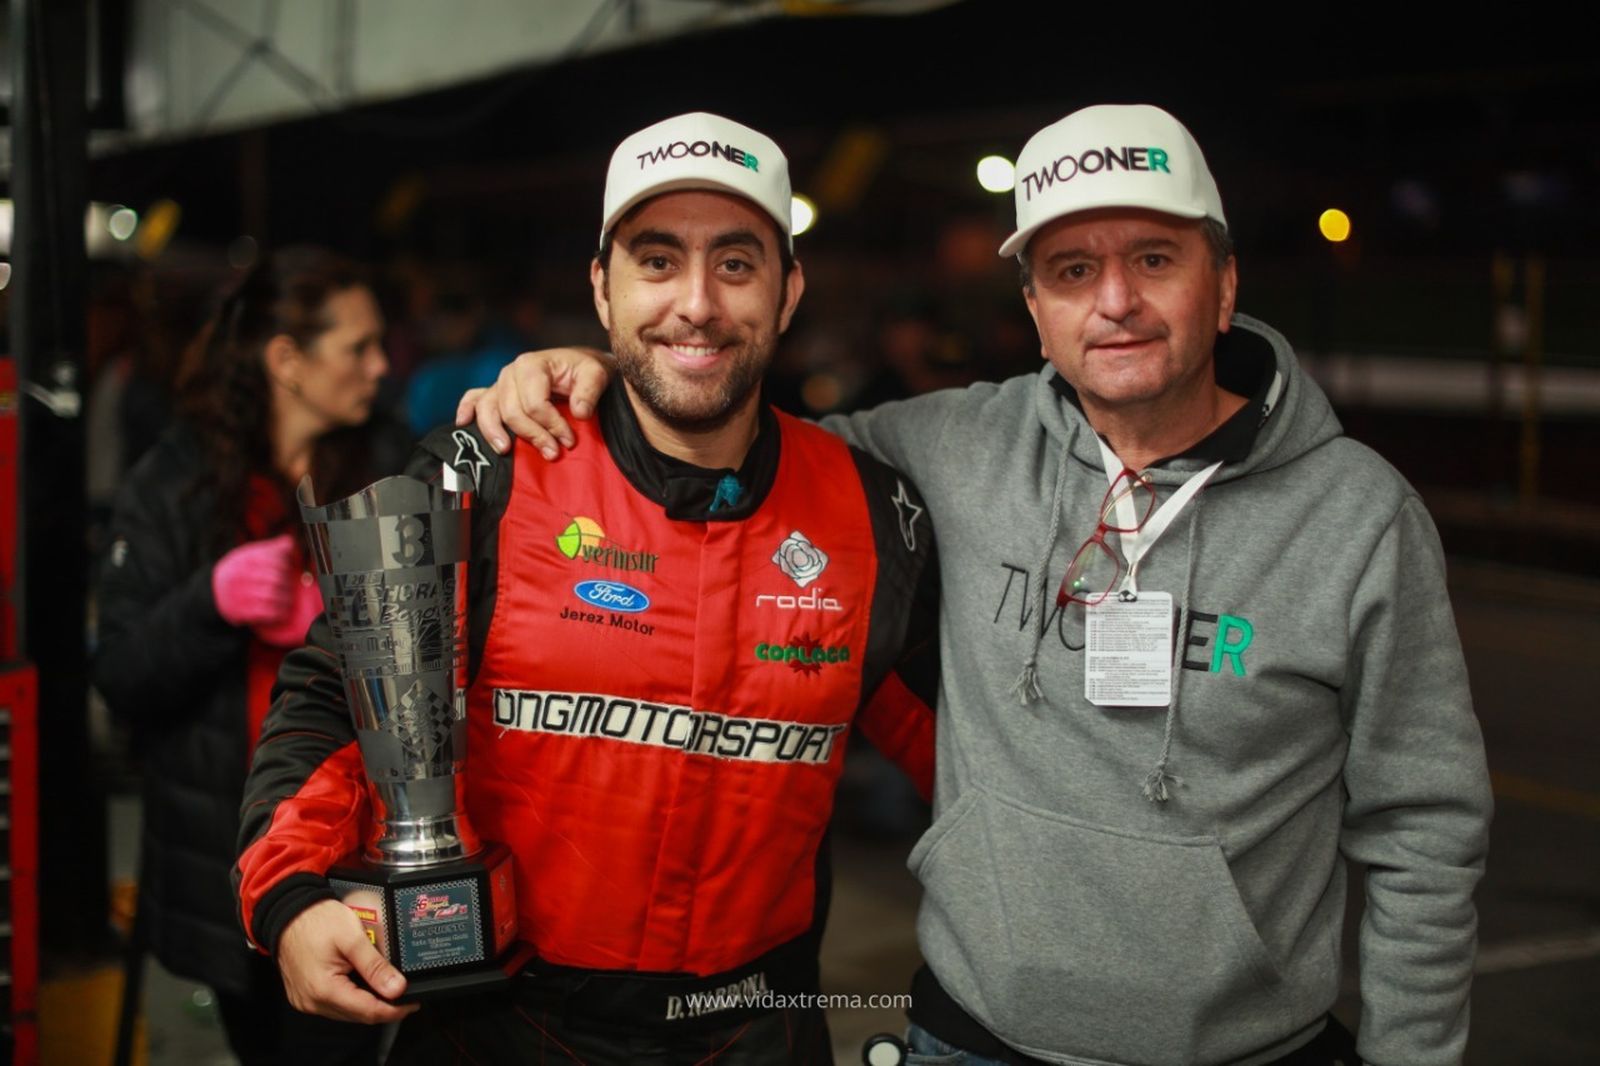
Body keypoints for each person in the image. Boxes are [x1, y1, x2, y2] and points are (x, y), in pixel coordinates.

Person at [465, 104, 1493, 1066]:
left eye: (1154, 259)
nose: (1116, 300)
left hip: (1249, 1048)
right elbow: (719, 429)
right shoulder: (949, 449)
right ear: (1034, 305)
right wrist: (584, 375)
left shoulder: (1358, 515)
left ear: (1222, 284)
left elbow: (1425, 830)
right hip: (967, 1037)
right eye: (1072, 268)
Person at [232, 112, 938, 1065]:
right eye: (657, 262)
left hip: (755, 1030)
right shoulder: (498, 467)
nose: (696, 303)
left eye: (736, 264)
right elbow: (340, 696)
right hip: (500, 1022)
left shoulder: (868, 510)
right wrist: (289, 895)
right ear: (602, 290)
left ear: (788, 291)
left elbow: (974, 766)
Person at [94, 247, 402, 1066]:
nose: (379, 367)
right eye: (357, 348)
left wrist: (347, 617)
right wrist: (210, 601)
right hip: (229, 855)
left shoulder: (388, 469)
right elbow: (121, 675)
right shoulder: (176, 484)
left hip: (361, 845)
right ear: (286, 360)